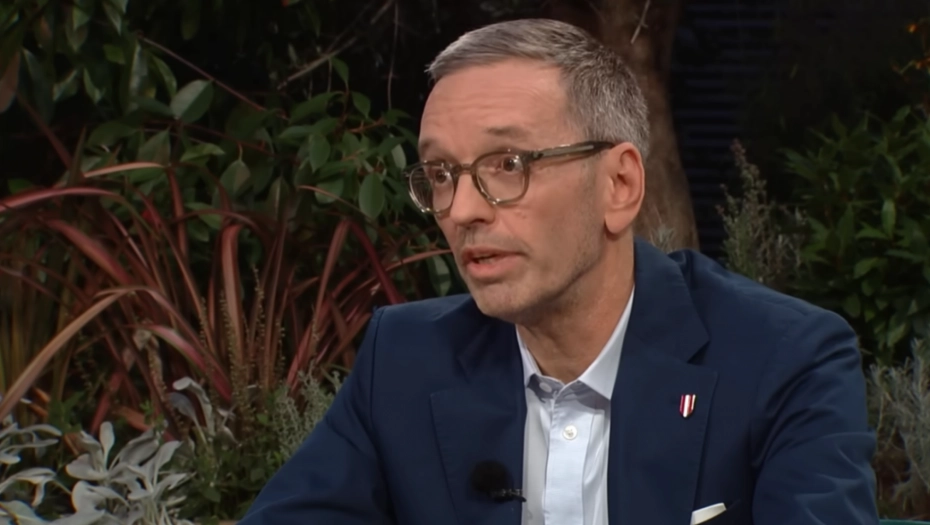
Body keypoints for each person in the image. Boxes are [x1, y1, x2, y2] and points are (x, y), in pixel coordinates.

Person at [238, 18, 879, 525]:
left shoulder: (783, 360)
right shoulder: (404, 361)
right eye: (441, 174)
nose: (460, 210)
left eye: (507, 165)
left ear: (619, 186)